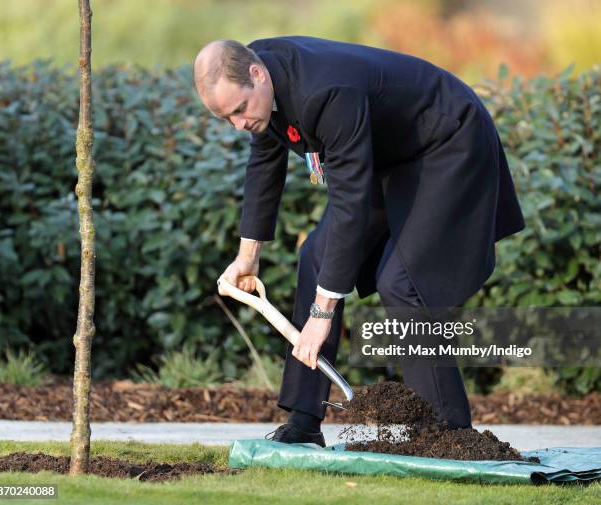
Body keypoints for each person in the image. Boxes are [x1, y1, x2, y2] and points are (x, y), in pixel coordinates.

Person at [193, 36, 525, 447]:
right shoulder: (259, 77)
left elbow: (351, 204)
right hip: (389, 153)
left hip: (448, 140)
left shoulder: (325, 92)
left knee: (402, 282)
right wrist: (248, 257)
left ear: (257, 75)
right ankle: (303, 423)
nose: (239, 124)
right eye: (227, 118)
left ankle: (448, 435)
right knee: (316, 255)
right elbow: (264, 162)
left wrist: (322, 313)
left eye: (240, 110)